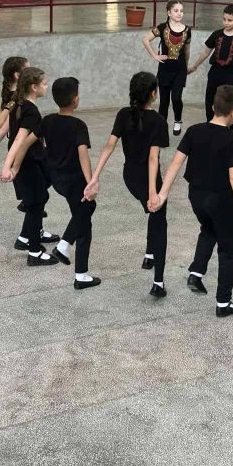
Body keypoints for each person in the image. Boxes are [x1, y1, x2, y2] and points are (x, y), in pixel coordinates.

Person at [152, 85, 233, 317]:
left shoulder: (194, 131)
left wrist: (163, 193)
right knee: (228, 249)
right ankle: (223, 302)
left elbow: (176, 163)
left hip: (196, 196)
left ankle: (196, 273)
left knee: (208, 229)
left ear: (213, 107)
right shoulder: (232, 139)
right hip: (220, 200)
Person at [8, 77, 102, 288]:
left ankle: (66, 249)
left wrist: (15, 167)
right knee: (84, 223)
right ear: (75, 100)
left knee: (86, 210)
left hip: (56, 179)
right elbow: (83, 155)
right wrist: (91, 182)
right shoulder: (78, 125)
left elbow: (24, 144)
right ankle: (78, 270)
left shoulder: (47, 120)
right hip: (74, 181)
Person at [84, 72, 169, 297]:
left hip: (129, 176)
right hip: (148, 178)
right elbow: (153, 158)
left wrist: (95, 176)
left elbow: (109, 146)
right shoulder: (158, 121)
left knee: (153, 214)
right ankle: (158, 283)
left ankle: (149, 255)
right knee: (159, 220)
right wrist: (153, 191)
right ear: (153, 94)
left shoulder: (124, 114)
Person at [0, 67, 60, 267]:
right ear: (34, 87)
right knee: (37, 201)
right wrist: (11, 167)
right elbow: (20, 142)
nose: (47, 87)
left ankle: (27, 236)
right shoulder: (31, 111)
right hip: (27, 162)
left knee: (41, 194)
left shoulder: (20, 104)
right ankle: (34, 252)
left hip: (34, 159)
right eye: (44, 84)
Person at [188, 5, 233, 125]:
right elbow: (206, 52)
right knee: (210, 99)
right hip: (215, 72)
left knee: (228, 101)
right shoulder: (216, 34)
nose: (226, 22)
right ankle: (210, 124)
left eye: (230, 20)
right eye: (224, 19)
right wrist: (194, 66)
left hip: (231, 74)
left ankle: (230, 126)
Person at [142, 0, 191, 135]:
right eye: (176, 10)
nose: (179, 13)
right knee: (164, 101)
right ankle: (161, 127)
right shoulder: (162, 27)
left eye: (181, 11)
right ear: (169, 12)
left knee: (176, 97)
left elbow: (187, 51)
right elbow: (145, 39)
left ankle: (178, 120)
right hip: (164, 70)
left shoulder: (187, 30)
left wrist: (186, 67)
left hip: (180, 70)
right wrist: (154, 55)